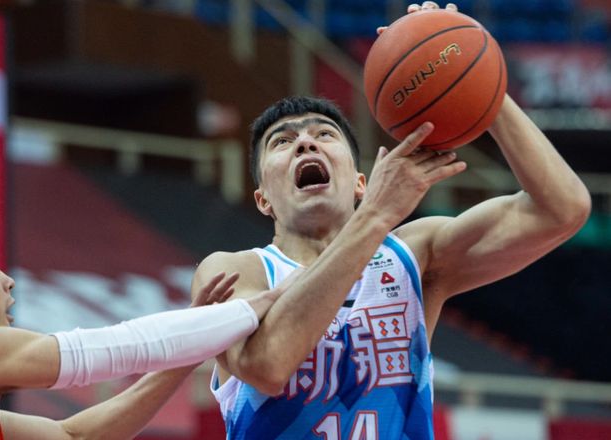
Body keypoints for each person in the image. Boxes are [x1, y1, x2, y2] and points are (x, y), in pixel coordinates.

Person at [191, 2, 592, 439]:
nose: (306, 142)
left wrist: (477, 78)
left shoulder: (412, 254)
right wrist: (375, 215)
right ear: (263, 199)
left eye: (324, 134)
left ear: (360, 182)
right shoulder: (234, 271)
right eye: (282, 142)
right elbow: (267, 366)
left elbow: (562, 209)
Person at [0, 205, 286, 439]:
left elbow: (79, 436)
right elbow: (124, 345)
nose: (8, 281)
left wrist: (193, 345)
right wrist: (272, 297)